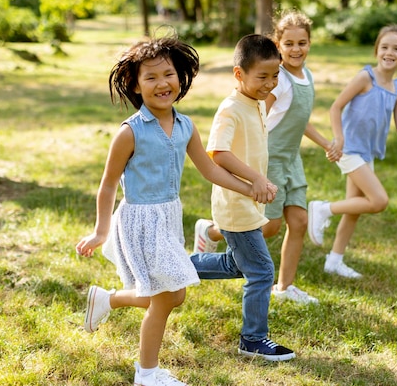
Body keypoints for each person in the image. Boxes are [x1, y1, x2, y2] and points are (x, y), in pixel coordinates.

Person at [75, 35, 270, 386]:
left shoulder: (185, 126)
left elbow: (210, 170)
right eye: (150, 77)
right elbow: (107, 185)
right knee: (167, 297)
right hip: (139, 221)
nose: (162, 83)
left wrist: (250, 188)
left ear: (180, 77)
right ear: (135, 85)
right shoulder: (129, 133)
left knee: (171, 294)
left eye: (168, 74)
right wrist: (100, 231)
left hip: (168, 219)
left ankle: (109, 300)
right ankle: (146, 374)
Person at [193, 10, 339, 305]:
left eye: (303, 43)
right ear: (278, 44)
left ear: (310, 43)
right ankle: (211, 231)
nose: (296, 49)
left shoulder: (306, 76)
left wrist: (325, 142)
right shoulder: (277, 80)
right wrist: (258, 169)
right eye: (289, 44)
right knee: (270, 227)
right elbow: (260, 113)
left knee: (298, 220)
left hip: (292, 159)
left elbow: (299, 120)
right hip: (271, 159)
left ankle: (284, 287)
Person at [307, 24, 397, 278]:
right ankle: (322, 208)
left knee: (354, 211)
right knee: (378, 201)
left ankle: (334, 261)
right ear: (376, 50)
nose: (389, 52)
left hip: (366, 154)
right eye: (384, 47)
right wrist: (338, 139)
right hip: (349, 149)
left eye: (396, 49)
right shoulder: (365, 77)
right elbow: (335, 107)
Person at [189, 34, 296, 362]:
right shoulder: (231, 109)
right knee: (262, 271)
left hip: (248, 201)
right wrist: (256, 179)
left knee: (239, 264)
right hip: (235, 203)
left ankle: (174, 265)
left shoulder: (256, 101)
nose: (270, 83)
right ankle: (252, 339)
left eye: (275, 75)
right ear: (239, 74)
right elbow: (218, 154)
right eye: (262, 76)